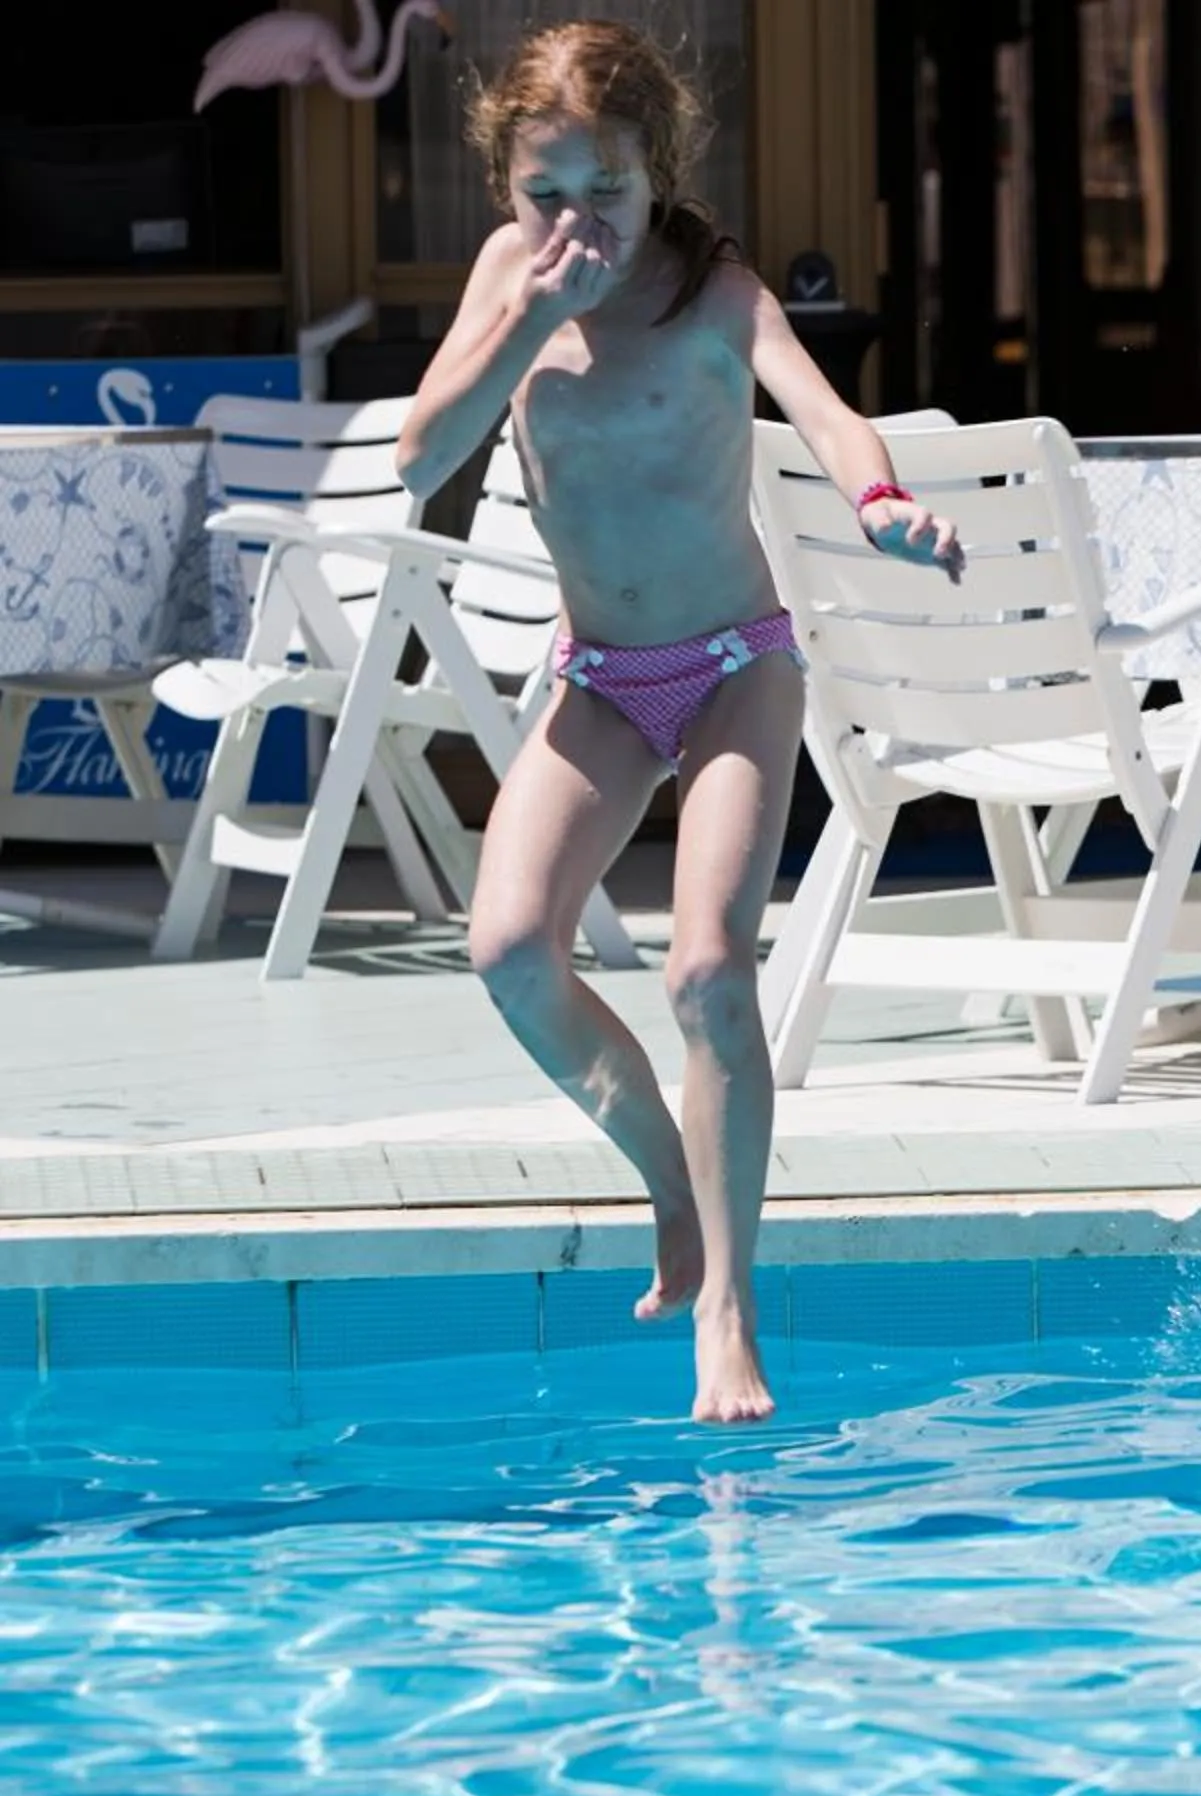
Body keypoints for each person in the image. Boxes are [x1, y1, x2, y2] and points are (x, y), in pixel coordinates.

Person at [395, 21, 963, 1423]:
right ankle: (670, 1183)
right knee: (510, 951)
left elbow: (825, 416)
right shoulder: (504, 282)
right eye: (547, 196)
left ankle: (732, 1312)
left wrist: (879, 503)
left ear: (661, 176)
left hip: (730, 666)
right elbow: (418, 459)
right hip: (598, 676)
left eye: (610, 193)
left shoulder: (713, 291)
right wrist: (527, 313)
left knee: (711, 967)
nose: (578, 224)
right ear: (503, 190)